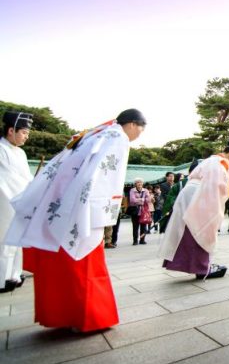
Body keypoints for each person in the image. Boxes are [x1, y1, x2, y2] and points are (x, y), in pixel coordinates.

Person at [5, 108, 146, 331]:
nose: (139, 134)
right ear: (132, 124)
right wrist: (102, 211)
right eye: (141, 129)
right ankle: (89, 317)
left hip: (62, 201)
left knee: (65, 264)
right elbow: (103, 177)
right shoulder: (117, 137)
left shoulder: (97, 133)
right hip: (81, 207)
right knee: (85, 263)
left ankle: (64, 315)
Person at [160, 138, 229, 278]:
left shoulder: (210, 160)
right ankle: (202, 267)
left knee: (187, 230)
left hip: (188, 193)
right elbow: (214, 189)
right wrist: (216, 212)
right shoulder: (220, 164)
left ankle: (191, 264)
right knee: (202, 229)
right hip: (199, 196)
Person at [0, 111, 33, 293]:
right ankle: (2, 278)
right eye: (24, 133)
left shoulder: (20, 153)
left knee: (16, 240)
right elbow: (7, 179)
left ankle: (14, 274)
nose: (26, 137)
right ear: (11, 130)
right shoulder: (1, 150)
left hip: (19, 201)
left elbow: (26, 178)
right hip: (4, 201)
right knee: (4, 240)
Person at [129, 178, 152, 245]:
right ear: (135, 184)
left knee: (143, 226)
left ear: (142, 183)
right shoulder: (132, 190)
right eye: (137, 182)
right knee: (135, 226)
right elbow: (132, 200)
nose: (139, 183)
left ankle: (142, 240)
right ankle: (135, 240)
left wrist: (139, 200)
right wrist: (143, 200)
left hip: (143, 211)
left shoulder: (146, 190)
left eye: (141, 182)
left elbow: (149, 200)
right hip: (135, 211)